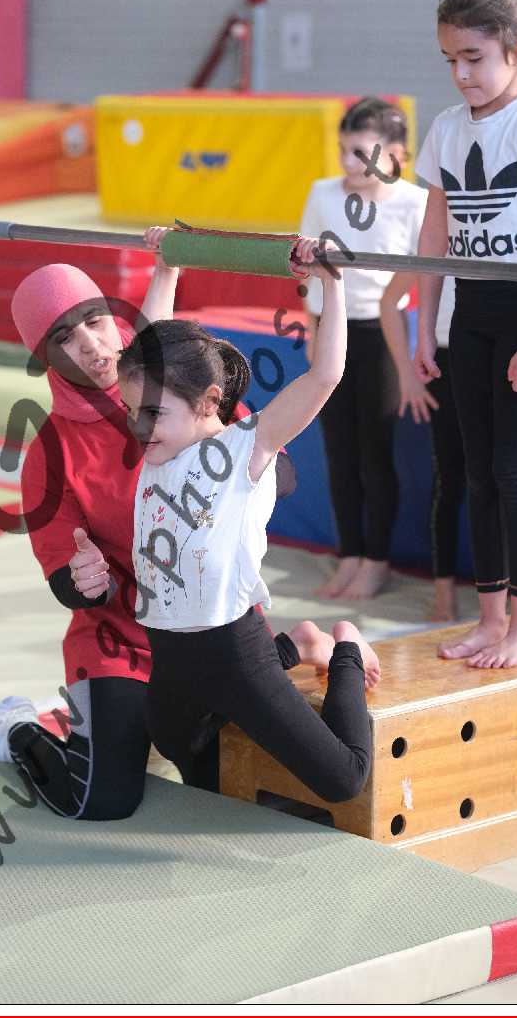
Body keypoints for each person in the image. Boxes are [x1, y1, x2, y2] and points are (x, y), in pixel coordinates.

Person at [0, 234, 309, 819]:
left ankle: (298, 646)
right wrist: (85, 580)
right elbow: (66, 579)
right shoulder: (50, 453)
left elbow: (281, 477)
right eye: (63, 337)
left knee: (244, 780)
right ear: (44, 358)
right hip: (120, 643)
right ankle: (15, 730)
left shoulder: (178, 381)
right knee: (102, 800)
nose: (89, 344)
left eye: (94, 320)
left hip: (213, 628)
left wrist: (250, 469)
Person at [112, 238, 379, 800]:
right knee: (180, 746)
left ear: (209, 401)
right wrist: (166, 267)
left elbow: (325, 374)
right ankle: (297, 644)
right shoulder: (159, 444)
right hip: (169, 649)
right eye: (133, 411)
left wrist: (331, 283)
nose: (137, 426)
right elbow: (148, 345)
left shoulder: (244, 449)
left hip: (234, 650)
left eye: (151, 413)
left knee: (343, 780)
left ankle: (345, 646)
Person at [414, 0, 517, 668]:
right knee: (477, 474)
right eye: (450, 60)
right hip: (468, 313)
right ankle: (492, 619)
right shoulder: (446, 128)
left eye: (474, 57)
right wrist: (424, 328)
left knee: (515, 472)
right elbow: (433, 237)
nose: (461, 73)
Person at [299, 97, 428, 599]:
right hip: (330, 328)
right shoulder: (322, 193)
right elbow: (306, 268)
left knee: (375, 451)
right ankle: (349, 554)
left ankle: (376, 560)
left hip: (380, 334)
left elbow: (423, 279)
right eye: (342, 151)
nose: (348, 164)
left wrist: (414, 356)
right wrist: (313, 333)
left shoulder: (414, 202)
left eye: (360, 153)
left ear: (395, 153)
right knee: (339, 450)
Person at [381, 274, 466, 622]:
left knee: (501, 481)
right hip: (444, 356)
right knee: (448, 479)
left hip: (499, 348)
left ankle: (505, 594)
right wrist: (407, 373)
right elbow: (390, 300)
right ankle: (444, 591)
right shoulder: (433, 243)